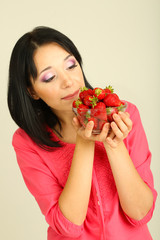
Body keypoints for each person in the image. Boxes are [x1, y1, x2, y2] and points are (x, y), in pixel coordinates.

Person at [7, 26, 157, 240]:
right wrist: (84, 141)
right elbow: (69, 226)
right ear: (32, 91)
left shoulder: (125, 114)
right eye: (49, 77)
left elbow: (141, 214)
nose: (69, 82)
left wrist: (115, 145)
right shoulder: (26, 142)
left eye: (71, 65)